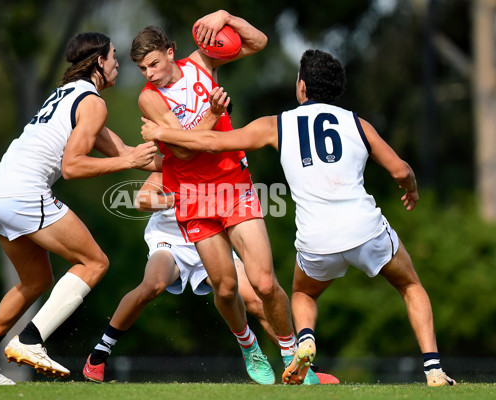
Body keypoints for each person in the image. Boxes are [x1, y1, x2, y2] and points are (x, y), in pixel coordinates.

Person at [140, 49, 456, 387]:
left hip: (316, 239)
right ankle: (433, 369)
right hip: (365, 229)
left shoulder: (277, 125)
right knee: (410, 285)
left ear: (302, 86)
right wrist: (410, 187)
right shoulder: (357, 123)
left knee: (303, 295)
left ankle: (304, 341)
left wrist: (163, 134)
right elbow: (399, 169)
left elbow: (212, 141)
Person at [0, 32, 160, 385]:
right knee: (95, 262)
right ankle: (31, 340)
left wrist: (185, 165)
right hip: (22, 192)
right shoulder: (93, 103)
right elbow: (73, 166)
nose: (117, 64)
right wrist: (127, 163)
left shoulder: (69, 95)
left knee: (36, 280)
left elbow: (126, 150)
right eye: (113, 56)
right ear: (98, 61)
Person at [128, 10, 301, 385]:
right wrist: (214, 113)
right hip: (190, 196)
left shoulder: (203, 63)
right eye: (142, 69)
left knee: (265, 283)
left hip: (232, 182)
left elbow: (258, 42)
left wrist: (226, 16)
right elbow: (187, 152)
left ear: (171, 52)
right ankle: (248, 344)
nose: (150, 74)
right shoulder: (149, 99)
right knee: (224, 288)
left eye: (153, 63)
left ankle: (291, 353)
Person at [82, 172, 279, 383]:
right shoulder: (168, 166)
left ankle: (297, 362)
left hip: (211, 238)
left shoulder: (219, 165)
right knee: (152, 285)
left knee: (256, 302)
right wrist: (178, 199)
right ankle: (99, 354)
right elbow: (142, 200)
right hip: (170, 242)